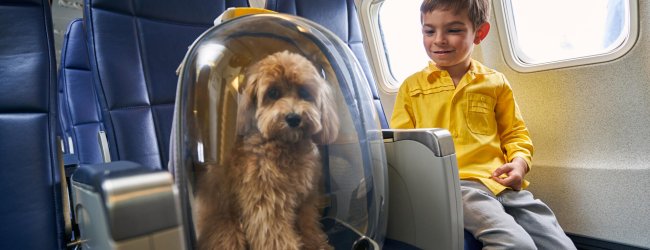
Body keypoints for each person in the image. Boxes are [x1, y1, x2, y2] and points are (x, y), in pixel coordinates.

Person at [390, 0, 577, 249]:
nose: (439, 40)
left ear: (479, 33)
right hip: (454, 186)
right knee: (516, 245)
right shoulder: (411, 87)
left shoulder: (495, 82)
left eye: (453, 30)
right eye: (429, 31)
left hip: (501, 182)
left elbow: (515, 133)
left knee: (559, 244)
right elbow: (402, 148)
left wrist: (519, 164)